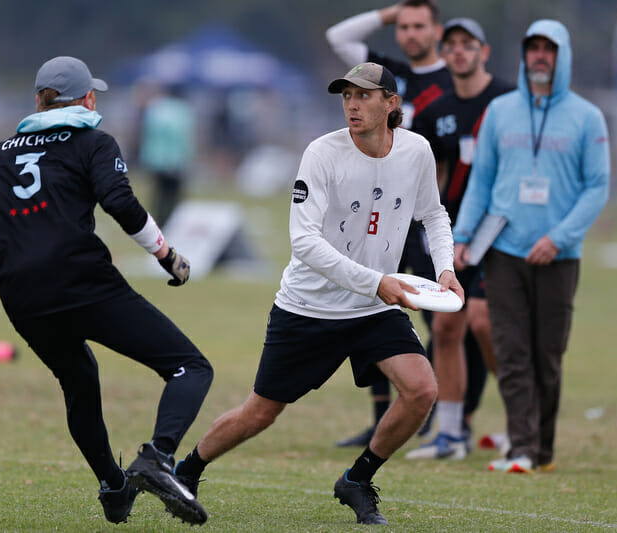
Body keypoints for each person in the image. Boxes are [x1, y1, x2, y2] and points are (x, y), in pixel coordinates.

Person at [0, 56, 213, 525]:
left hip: (23, 298)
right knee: (189, 367)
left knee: (79, 383)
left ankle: (114, 488)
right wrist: (166, 256)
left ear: (37, 100)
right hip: (84, 283)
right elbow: (120, 201)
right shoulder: (92, 142)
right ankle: (157, 459)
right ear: (89, 99)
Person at [173, 62, 463, 525]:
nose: (352, 104)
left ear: (392, 104)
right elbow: (304, 243)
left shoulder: (416, 151)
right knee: (260, 414)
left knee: (422, 389)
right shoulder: (321, 153)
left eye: (365, 95)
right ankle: (185, 471)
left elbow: (434, 215)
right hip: (309, 308)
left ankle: (358, 479)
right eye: (347, 95)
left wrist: (445, 269)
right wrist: (379, 281)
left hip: (373, 309)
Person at [452, 20, 610, 473]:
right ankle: (520, 447)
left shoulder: (587, 117)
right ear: (523, 55)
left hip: (559, 256)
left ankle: (541, 449)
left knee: (547, 355)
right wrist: (463, 236)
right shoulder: (500, 112)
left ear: (563, 56)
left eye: (549, 49)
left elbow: (597, 187)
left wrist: (558, 237)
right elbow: (480, 181)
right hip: (503, 250)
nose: (540, 56)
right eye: (533, 48)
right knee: (510, 349)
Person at [325, 0, 464, 448]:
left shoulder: (452, 82)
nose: (409, 33)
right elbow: (339, 37)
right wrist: (388, 13)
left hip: (423, 217)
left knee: (440, 319)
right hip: (377, 218)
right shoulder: (383, 72)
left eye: (419, 24)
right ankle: (384, 416)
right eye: (402, 26)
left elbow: (446, 161)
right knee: (372, 303)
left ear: (436, 30)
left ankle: (446, 416)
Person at [404, 18, 515, 460]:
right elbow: (436, 178)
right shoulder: (435, 110)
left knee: (486, 324)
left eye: (468, 45)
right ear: (444, 54)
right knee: (447, 325)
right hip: (455, 233)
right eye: (451, 46)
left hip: (500, 231)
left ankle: (518, 425)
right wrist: (430, 232)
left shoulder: (507, 102)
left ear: (483, 51)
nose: (459, 52)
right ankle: (451, 435)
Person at [138, 84, 195, 225]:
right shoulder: (182, 110)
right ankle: (171, 222)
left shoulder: (155, 108)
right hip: (174, 160)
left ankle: (155, 222)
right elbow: (184, 137)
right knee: (174, 196)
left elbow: (147, 134)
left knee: (158, 194)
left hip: (154, 159)